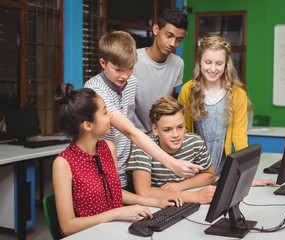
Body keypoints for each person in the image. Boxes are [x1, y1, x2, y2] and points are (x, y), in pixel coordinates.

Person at [52, 84, 182, 237]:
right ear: (88, 125)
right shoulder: (63, 163)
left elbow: (115, 192)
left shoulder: (108, 147)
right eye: (105, 112)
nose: (111, 116)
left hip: (114, 230)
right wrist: (117, 213)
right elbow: (68, 226)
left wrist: (157, 202)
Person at [84, 30, 201, 189]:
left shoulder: (131, 82)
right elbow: (130, 131)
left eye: (130, 68)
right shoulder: (95, 90)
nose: (124, 76)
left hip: (125, 166)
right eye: (118, 69)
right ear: (103, 63)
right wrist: (172, 163)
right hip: (101, 168)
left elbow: (130, 116)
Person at [178, 35, 275, 186]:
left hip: (223, 171)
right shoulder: (187, 90)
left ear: (226, 64)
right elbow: (183, 134)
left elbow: (239, 137)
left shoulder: (237, 93)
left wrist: (247, 176)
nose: (212, 69)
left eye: (219, 63)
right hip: (194, 171)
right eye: (208, 62)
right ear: (199, 62)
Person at [127, 96, 217, 204]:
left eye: (180, 127)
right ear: (155, 130)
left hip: (185, 200)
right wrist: (194, 196)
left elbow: (210, 175)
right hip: (157, 207)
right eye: (167, 130)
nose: (176, 135)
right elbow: (143, 192)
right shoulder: (143, 147)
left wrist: (182, 185)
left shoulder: (195, 142)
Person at [133, 7, 187, 134]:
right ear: (156, 29)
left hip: (161, 136)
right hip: (133, 136)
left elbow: (168, 103)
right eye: (169, 36)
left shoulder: (178, 64)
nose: (173, 44)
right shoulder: (132, 59)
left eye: (179, 40)